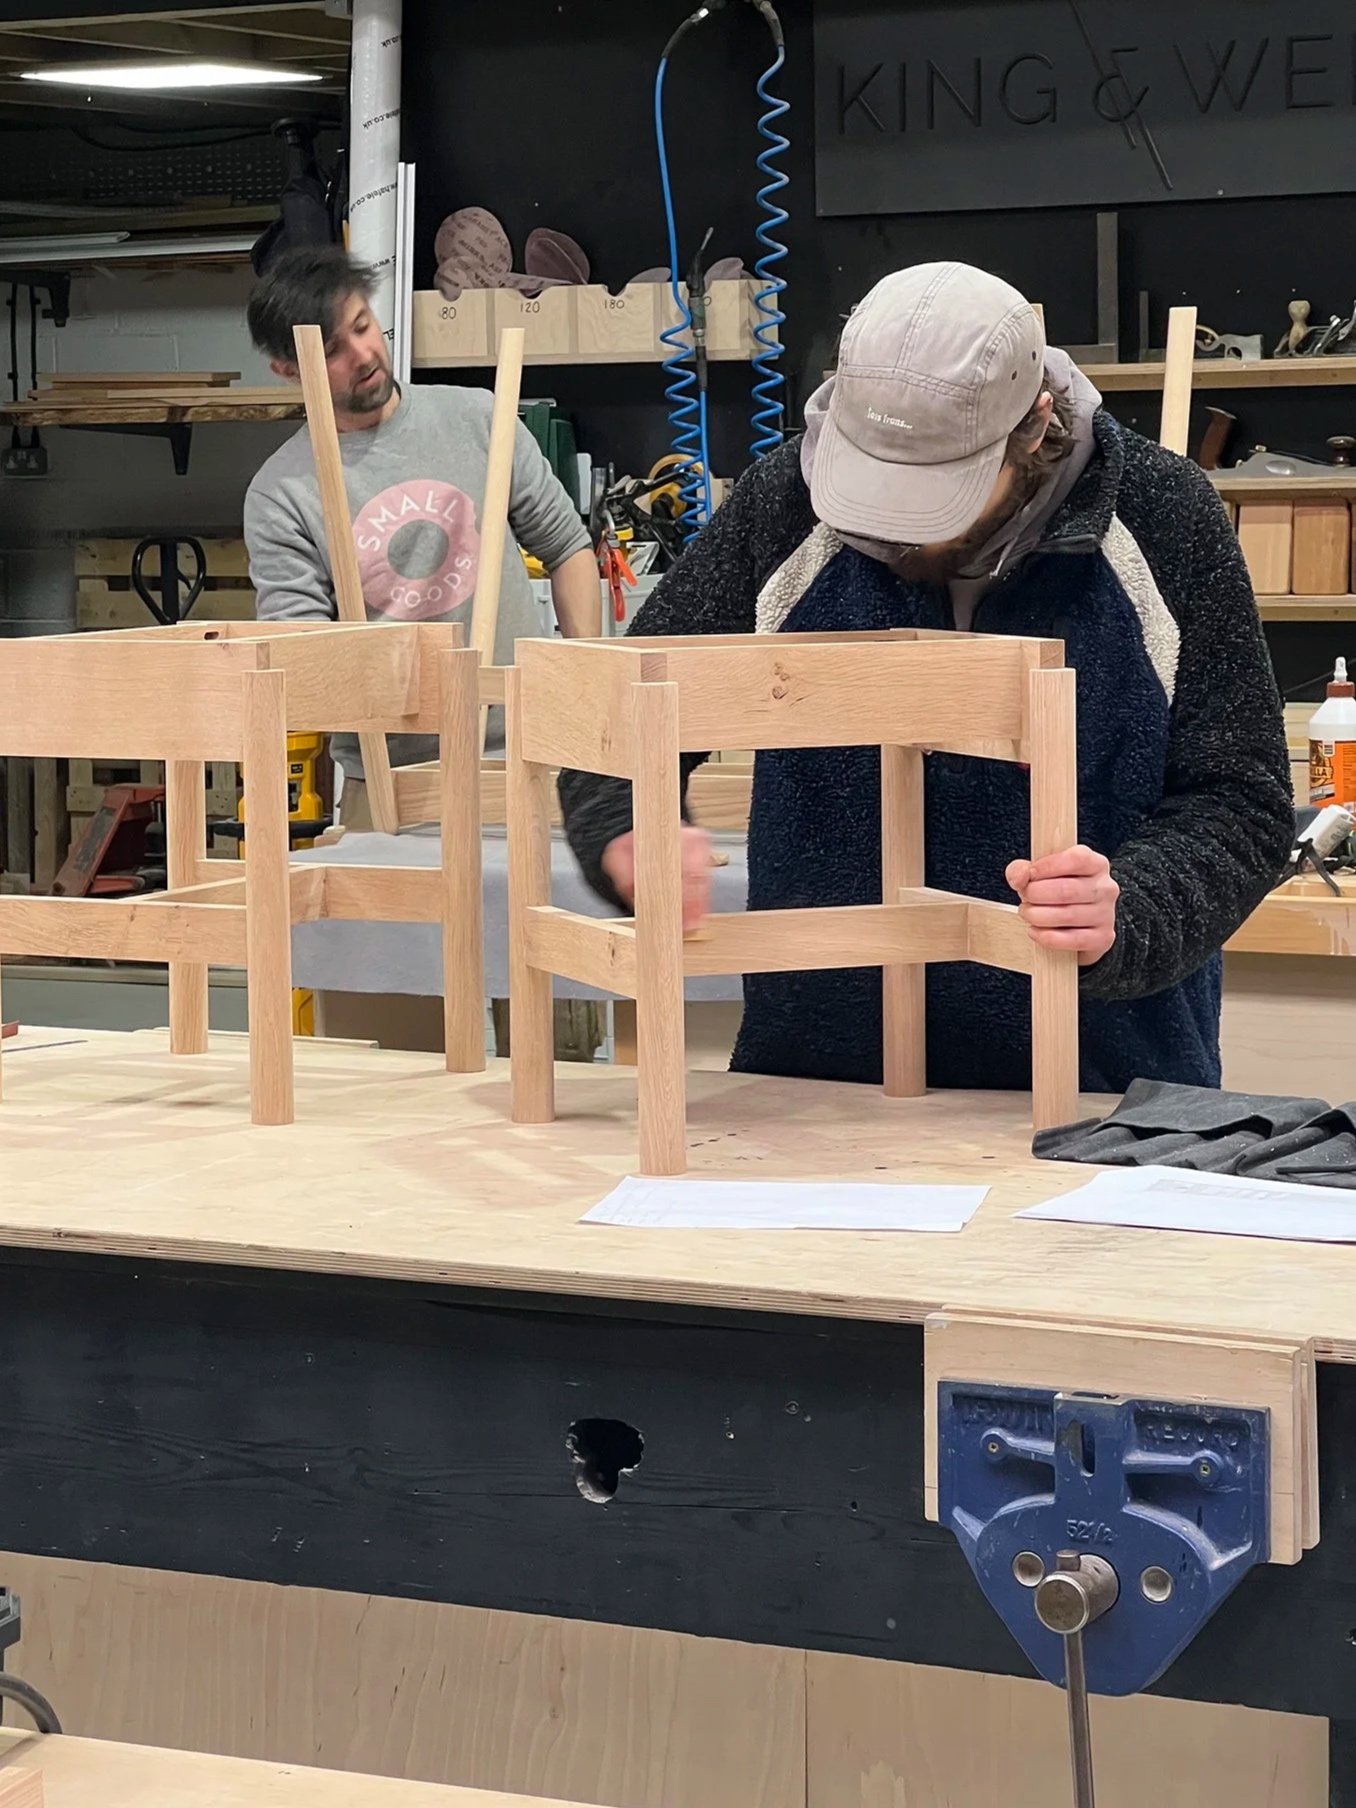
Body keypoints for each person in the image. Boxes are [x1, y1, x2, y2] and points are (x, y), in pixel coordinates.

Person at [559, 261, 1295, 1096]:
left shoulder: (1166, 519)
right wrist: (628, 825)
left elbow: (1239, 799)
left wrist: (1127, 912)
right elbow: (612, 715)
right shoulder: (787, 505)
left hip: (1105, 1090)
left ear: (1034, 427)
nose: (892, 532)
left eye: (935, 494)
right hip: (816, 1091)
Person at [244, 245, 597, 828]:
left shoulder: (478, 420)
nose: (362, 354)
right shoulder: (282, 492)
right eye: (333, 348)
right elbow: (302, 656)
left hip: (523, 757)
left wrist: (584, 680)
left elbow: (567, 548)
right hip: (387, 783)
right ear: (288, 369)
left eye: (363, 326)